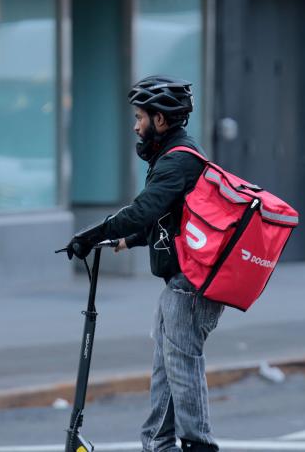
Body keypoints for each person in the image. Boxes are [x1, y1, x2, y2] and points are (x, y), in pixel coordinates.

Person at [65, 75, 223, 452]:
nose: (136, 126)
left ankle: (199, 446)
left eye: (140, 117)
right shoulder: (177, 157)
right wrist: (125, 239)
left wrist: (89, 234)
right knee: (166, 371)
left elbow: (144, 210)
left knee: (182, 369)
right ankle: (157, 444)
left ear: (161, 120)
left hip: (190, 286)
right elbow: (173, 219)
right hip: (181, 284)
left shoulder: (177, 161)